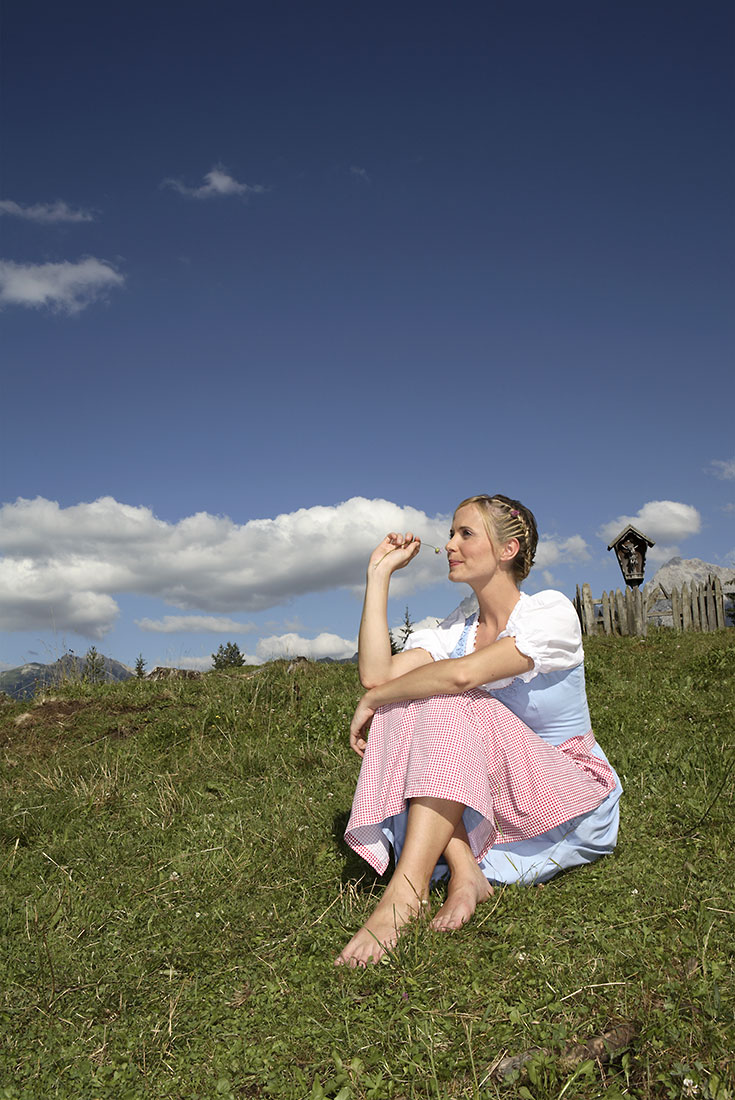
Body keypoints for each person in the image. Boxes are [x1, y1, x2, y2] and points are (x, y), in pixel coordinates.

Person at [335, 493, 622, 968]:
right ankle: (466, 871)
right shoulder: (459, 627)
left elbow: (462, 677)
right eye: (451, 533)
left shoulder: (548, 614)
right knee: (415, 695)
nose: (449, 544)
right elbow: (377, 673)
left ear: (507, 550)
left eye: (465, 533)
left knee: (447, 692)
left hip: (567, 792)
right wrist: (378, 575)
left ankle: (404, 895)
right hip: (494, 789)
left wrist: (378, 698)